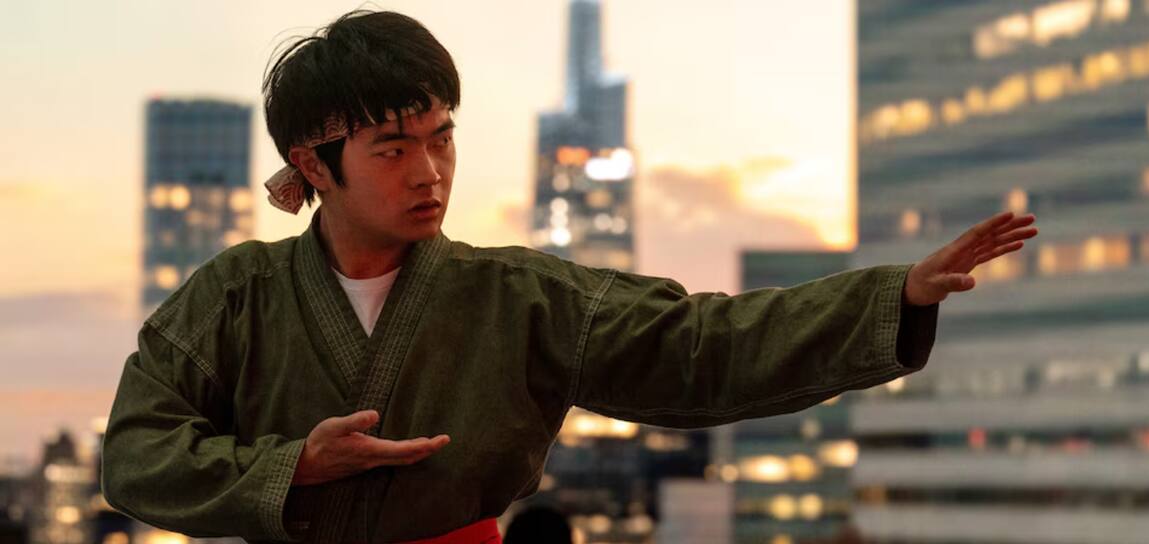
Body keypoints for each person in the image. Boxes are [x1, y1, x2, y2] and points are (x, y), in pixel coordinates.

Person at [100, 9, 1038, 544]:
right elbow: (136, 455)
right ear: (313, 162)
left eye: (442, 138)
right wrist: (291, 466)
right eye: (392, 147)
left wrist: (892, 297)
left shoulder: (518, 298)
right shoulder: (234, 296)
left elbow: (698, 346)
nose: (429, 172)